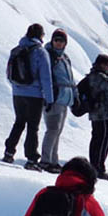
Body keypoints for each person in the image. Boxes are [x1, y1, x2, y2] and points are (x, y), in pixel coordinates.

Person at [4, 24, 54, 170]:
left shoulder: (17, 50)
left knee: (19, 122)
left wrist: (17, 88)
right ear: (40, 35)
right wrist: (49, 99)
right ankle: (31, 159)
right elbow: (46, 78)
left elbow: (9, 73)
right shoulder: (40, 52)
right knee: (33, 127)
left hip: (18, 93)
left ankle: (9, 151)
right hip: (34, 95)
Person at [39, 29, 76, 173]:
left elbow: (70, 79)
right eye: (56, 40)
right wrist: (47, 98)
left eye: (61, 41)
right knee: (52, 130)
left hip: (64, 99)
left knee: (57, 131)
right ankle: (45, 160)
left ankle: (53, 160)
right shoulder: (48, 55)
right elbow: (45, 78)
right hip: (53, 98)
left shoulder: (65, 58)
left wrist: (75, 95)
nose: (58, 43)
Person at [80, 54, 108, 181]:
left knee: (100, 139)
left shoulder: (96, 76)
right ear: (101, 64)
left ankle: (97, 166)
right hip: (101, 113)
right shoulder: (98, 76)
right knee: (102, 140)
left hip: (101, 113)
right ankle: (98, 168)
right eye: (107, 65)